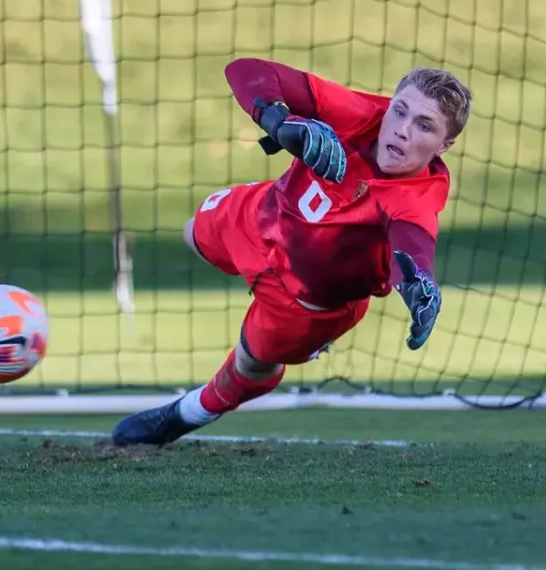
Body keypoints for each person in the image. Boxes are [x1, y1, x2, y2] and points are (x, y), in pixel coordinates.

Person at [111, 57, 473, 447]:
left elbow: (414, 248)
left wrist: (419, 284)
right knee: (191, 233)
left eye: (424, 126)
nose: (401, 130)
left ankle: (184, 414)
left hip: (304, 304)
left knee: (252, 365)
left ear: (444, 145)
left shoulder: (415, 200)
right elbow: (244, 70)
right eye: (399, 111)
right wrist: (278, 122)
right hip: (260, 216)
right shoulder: (360, 115)